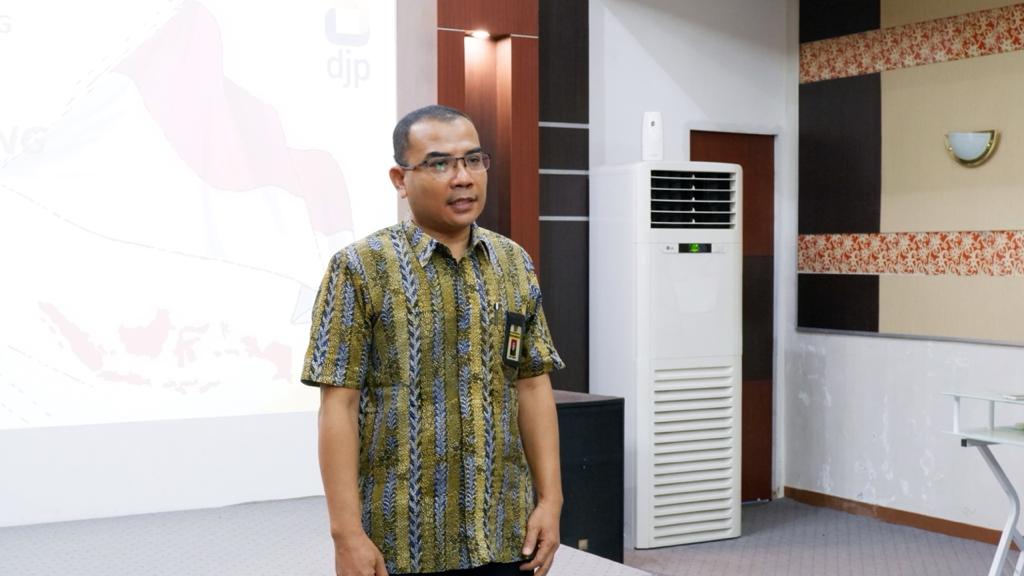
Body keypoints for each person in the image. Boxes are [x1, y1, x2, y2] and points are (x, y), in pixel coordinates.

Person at [301, 104, 565, 576]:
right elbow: (338, 406)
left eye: (473, 160)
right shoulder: (359, 268)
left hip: (505, 531)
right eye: (440, 164)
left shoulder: (513, 263)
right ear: (400, 179)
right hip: (402, 542)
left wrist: (550, 500)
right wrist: (346, 535)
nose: (462, 178)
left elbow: (531, 384)